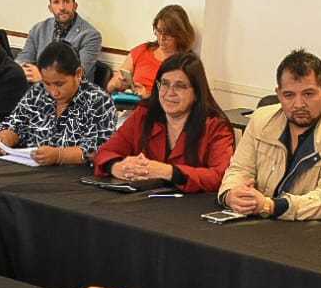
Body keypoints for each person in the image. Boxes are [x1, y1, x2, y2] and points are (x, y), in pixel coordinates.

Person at [217, 49, 321, 221]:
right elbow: (239, 170)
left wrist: (270, 206)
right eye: (289, 95)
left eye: (308, 94)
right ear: (278, 94)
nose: (299, 104)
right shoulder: (261, 120)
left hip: (311, 229)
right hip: (260, 222)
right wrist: (231, 194)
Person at [92, 52, 234, 193]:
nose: (170, 93)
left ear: (196, 92)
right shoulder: (144, 114)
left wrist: (168, 172)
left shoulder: (216, 126)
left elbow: (220, 177)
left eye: (180, 86)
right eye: (165, 84)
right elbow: (105, 151)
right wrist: (116, 167)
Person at [0, 42, 116, 165]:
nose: (53, 92)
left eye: (59, 84)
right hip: (28, 167)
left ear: (78, 74)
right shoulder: (38, 92)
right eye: (47, 83)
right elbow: (15, 123)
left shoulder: (99, 101)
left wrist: (59, 156)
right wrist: (4, 139)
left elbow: (99, 150)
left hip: (73, 174)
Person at [16, 0, 102, 82]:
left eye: (66, 1)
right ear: (50, 8)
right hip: (38, 87)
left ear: (75, 5)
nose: (62, 7)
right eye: (56, 2)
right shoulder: (38, 29)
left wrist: (43, 77)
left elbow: (79, 75)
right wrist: (24, 70)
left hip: (73, 90)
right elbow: (22, 60)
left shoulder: (90, 36)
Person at [105, 5, 195, 99]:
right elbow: (110, 86)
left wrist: (148, 96)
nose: (162, 38)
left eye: (168, 34)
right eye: (159, 31)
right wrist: (117, 85)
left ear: (180, 34)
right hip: (128, 104)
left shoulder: (186, 62)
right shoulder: (143, 50)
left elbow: (180, 100)